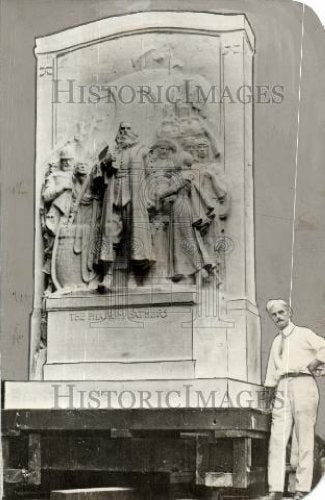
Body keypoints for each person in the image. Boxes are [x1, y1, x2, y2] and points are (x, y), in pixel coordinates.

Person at [265, 299, 325, 500]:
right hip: (282, 386)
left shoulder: (304, 334)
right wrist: (269, 397)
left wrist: (314, 363)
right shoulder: (276, 342)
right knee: (277, 438)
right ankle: (275, 489)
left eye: (281, 312)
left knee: (304, 437)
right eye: (274, 315)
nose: (278, 317)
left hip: (303, 384)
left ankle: (301, 489)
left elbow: (324, 347)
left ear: (290, 312)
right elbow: (271, 374)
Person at [92, 122, 154, 292]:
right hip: (113, 195)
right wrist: (105, 163)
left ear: (134, 131)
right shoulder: (113, 150)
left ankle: (136, 276)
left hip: (134, 196)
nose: (125, 132)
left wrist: (150, 197)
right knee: (109, 232)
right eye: (122, 129)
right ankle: (107, 275)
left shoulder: (143, 150)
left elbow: (151, 175)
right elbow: (96, 174)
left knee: (134, 233)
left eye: (128, 128)